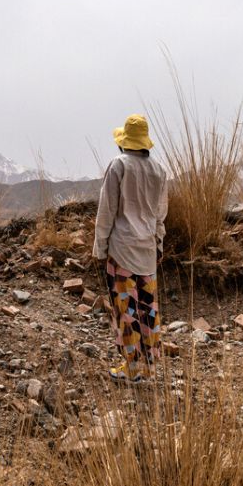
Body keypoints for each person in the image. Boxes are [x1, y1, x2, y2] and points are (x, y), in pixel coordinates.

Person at [92, 114, 169, 383]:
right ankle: (148, 366)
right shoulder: (159, 170)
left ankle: (132, 368)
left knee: (126, 310)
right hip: (147, 251)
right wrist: (158, 244)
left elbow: (106, 212)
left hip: (122, 251)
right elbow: (161, 216)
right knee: (148, 308)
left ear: (125, 142)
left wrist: (100, 249)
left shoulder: (118, 166)